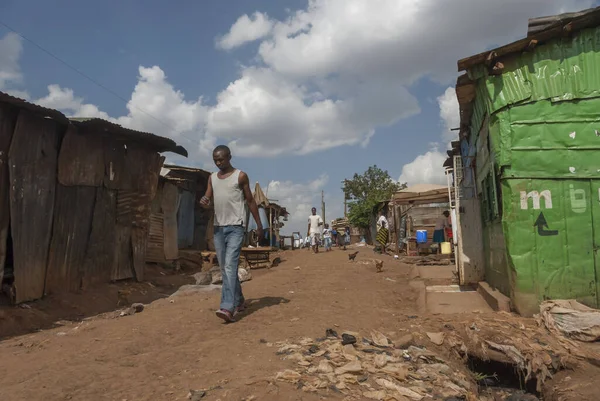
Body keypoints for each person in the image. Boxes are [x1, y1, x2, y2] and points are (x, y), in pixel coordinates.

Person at [200, 145, 263, 323]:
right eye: (215, 160)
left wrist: (258, 225)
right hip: (218, 228)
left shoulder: (240, 176)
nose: (218, 162)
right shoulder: (212, 178)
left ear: (229, 157)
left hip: (236, 227)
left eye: (221, 159)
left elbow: (250, 200)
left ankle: (228, 307)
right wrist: (204, 201)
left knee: (229, 267)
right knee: (225, 268)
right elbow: (207, 199)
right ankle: (240, 300)